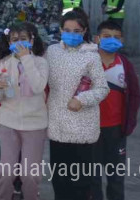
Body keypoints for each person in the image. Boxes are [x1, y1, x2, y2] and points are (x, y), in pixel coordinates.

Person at [45, 11, 109, 200]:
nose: (71, 34)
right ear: (60, 30)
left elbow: (102, 88)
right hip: (58, 126)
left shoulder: (91, 56)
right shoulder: (52, 51)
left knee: (80, 183)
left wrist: (82, 100)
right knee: (59, 180)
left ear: (84, 31)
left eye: (76, 30)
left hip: (82, 127)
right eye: (67, 30)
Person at [0, 22, 49, 200]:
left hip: (35, 125)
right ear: (9, 43)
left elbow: (38, 86)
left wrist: (26, 59)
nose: (19, 43)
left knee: (30, 176)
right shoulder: (5, 64)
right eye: (15, 40)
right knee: (6, 173)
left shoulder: (41, 63)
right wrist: (0, 87)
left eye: (23, 39)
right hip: (8, 124)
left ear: (32, 40)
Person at [91, 20, 140, 200]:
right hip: (90, 130)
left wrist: (129, 123)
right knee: (92, 178)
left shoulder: (125, 65)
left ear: (122, 40)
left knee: (116, 178)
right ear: (97, 38)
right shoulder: (87, 62)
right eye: (106, 37)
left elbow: (134, 95)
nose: (111, 40)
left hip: (116, 130)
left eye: (116, 37)